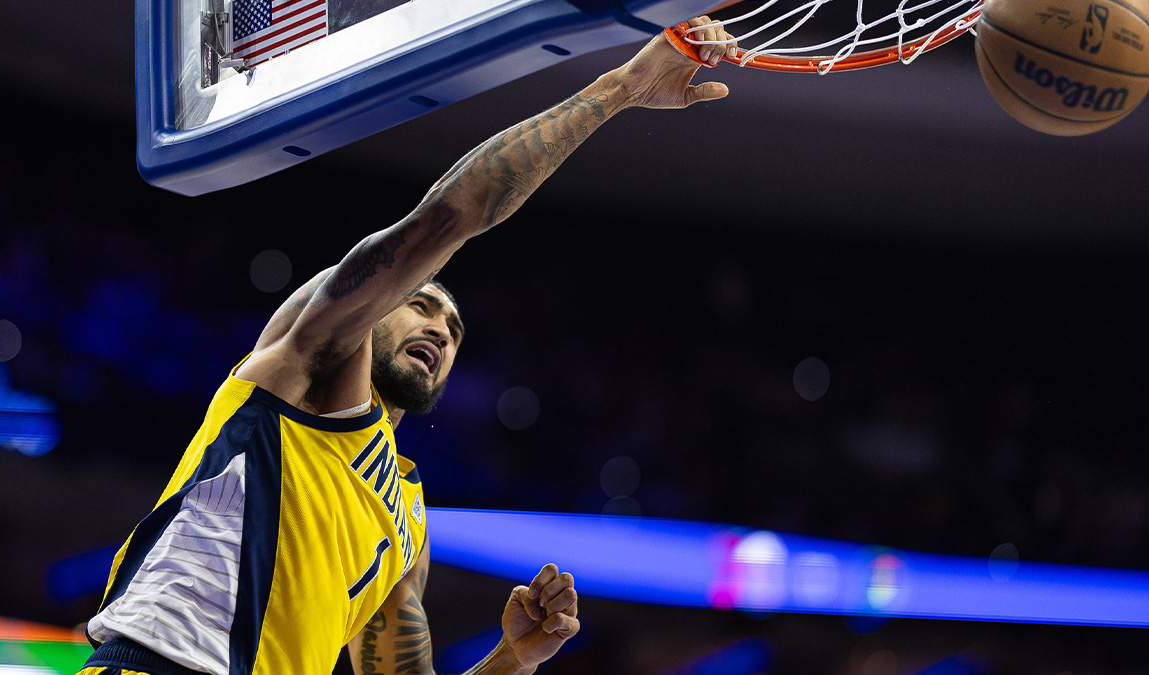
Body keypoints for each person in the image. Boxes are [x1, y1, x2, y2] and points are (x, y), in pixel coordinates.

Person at [77, 17, 738, 675]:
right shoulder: (308, 363)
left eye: (453, 331)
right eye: (422, 304)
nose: (440, 330)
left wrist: (513, 657)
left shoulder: (408, 521)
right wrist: (621, 87)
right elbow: (450, 216)